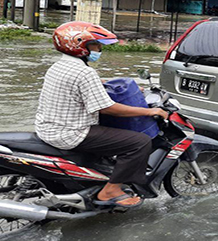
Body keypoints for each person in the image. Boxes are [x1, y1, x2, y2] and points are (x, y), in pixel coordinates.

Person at [35, 22, 169, 209]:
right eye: (96, 45)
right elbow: (107, 108)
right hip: (71, 133)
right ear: (80, 45)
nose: (99, 49)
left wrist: (109, 84)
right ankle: (111, 190)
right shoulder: (84, 72)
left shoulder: (59, 66)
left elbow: (82, 86)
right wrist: (150, 111)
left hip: (48, 127)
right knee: (139, 142)